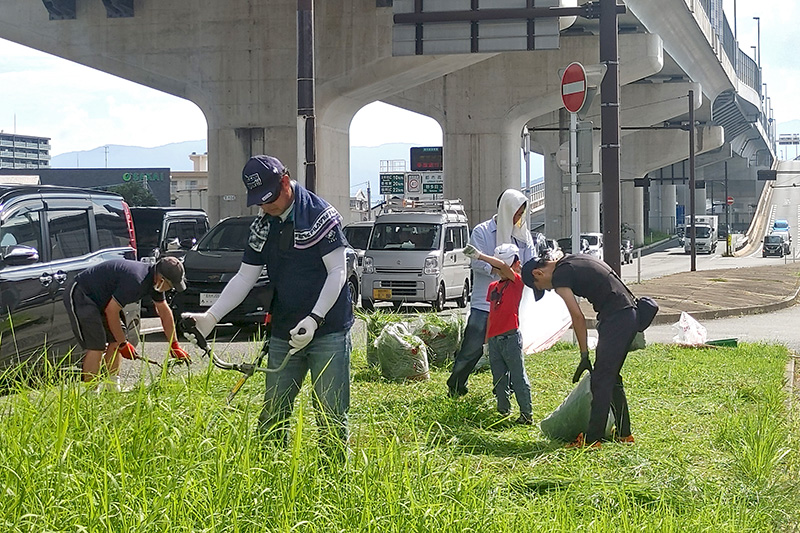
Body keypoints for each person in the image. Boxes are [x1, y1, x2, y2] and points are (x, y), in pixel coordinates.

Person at [183, 154, 353, 455]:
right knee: (273, 414)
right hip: (284, 330)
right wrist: (212, 316)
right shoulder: (263, 225)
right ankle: (270, 476)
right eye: (259, 201)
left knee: (330, 416)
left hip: (328, 331)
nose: (266, 206)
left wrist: (315, 318)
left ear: (285, 182)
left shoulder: (319, 215)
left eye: (270, 198)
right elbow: (245, 277)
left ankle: (335, 482)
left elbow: (338, 272)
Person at [522, 251, 638, 448]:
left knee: (601, 380)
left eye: (541, 288)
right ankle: (624, 434)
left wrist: (584, 354)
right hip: (627, 313)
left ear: (537, 274)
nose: (548, 290)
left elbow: (577, 316)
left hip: (618, 317)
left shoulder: (560, 276)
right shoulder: (570, 260)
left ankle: (593, 441)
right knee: (610, 376)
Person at [446, 188, 539, 398]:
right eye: (516, 213)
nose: (518, 218)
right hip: (484, 302)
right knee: (473, 347)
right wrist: (504, 271)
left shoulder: (522, 236)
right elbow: (476, 262)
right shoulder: (482, 232)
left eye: (521, 213)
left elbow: (528, 264)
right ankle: (456, 383)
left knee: (509, 349)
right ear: (506, 210)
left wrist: (509, 271)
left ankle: (505, 389)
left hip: (511, 305)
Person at [64, 257, 190, 390]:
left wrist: (174, 345)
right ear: (161, 279)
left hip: (103, 300)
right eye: (171, 286)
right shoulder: (136, 280)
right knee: (97, 345)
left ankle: (112, 388)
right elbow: (112, 311)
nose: (170, 289)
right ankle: (90, 394)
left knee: (116, 339)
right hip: (82, 293)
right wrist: (123, 344)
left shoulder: (154, 283)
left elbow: (164, 311)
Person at [464, 243, 533, 424]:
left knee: (518, 377)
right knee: (499, 379)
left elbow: (503, 267)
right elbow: (492, 315)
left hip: (510, 337)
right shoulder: (494, 286)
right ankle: (503, 411)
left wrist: (479, 256)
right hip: (494, 340)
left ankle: (526, 414)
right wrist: (487, 341)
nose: (499, 269)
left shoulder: (517, 282)